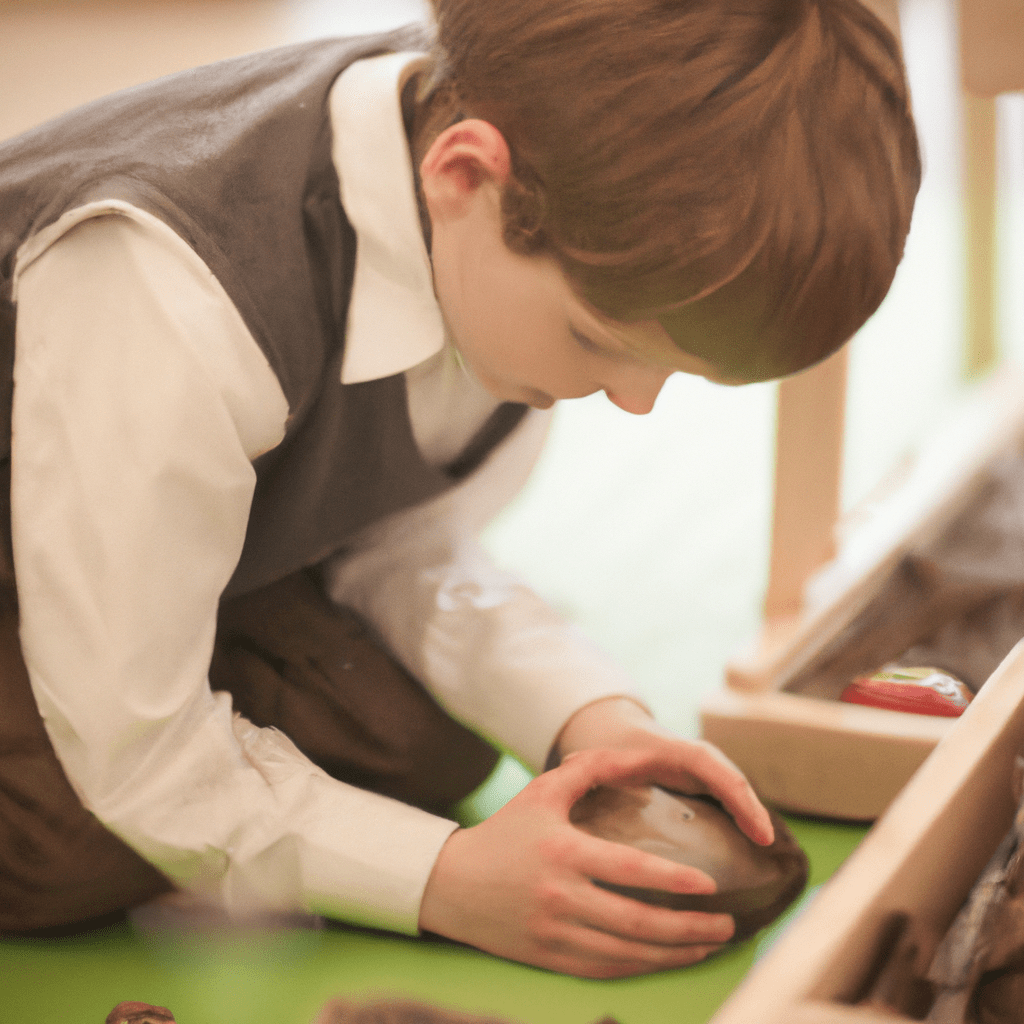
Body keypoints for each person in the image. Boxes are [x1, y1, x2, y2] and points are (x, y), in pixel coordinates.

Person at [0, 0, 919, 979]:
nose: (633, 402)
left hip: (174, 552)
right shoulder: (167, 293)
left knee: (437, 742)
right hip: (39, 565)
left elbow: (398, 540)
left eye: (669, 371)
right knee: (59, 841)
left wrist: (594, 721)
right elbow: (137, 754)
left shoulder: (525, 194)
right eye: (602, 343)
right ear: (464, 176)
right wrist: (444, 882)